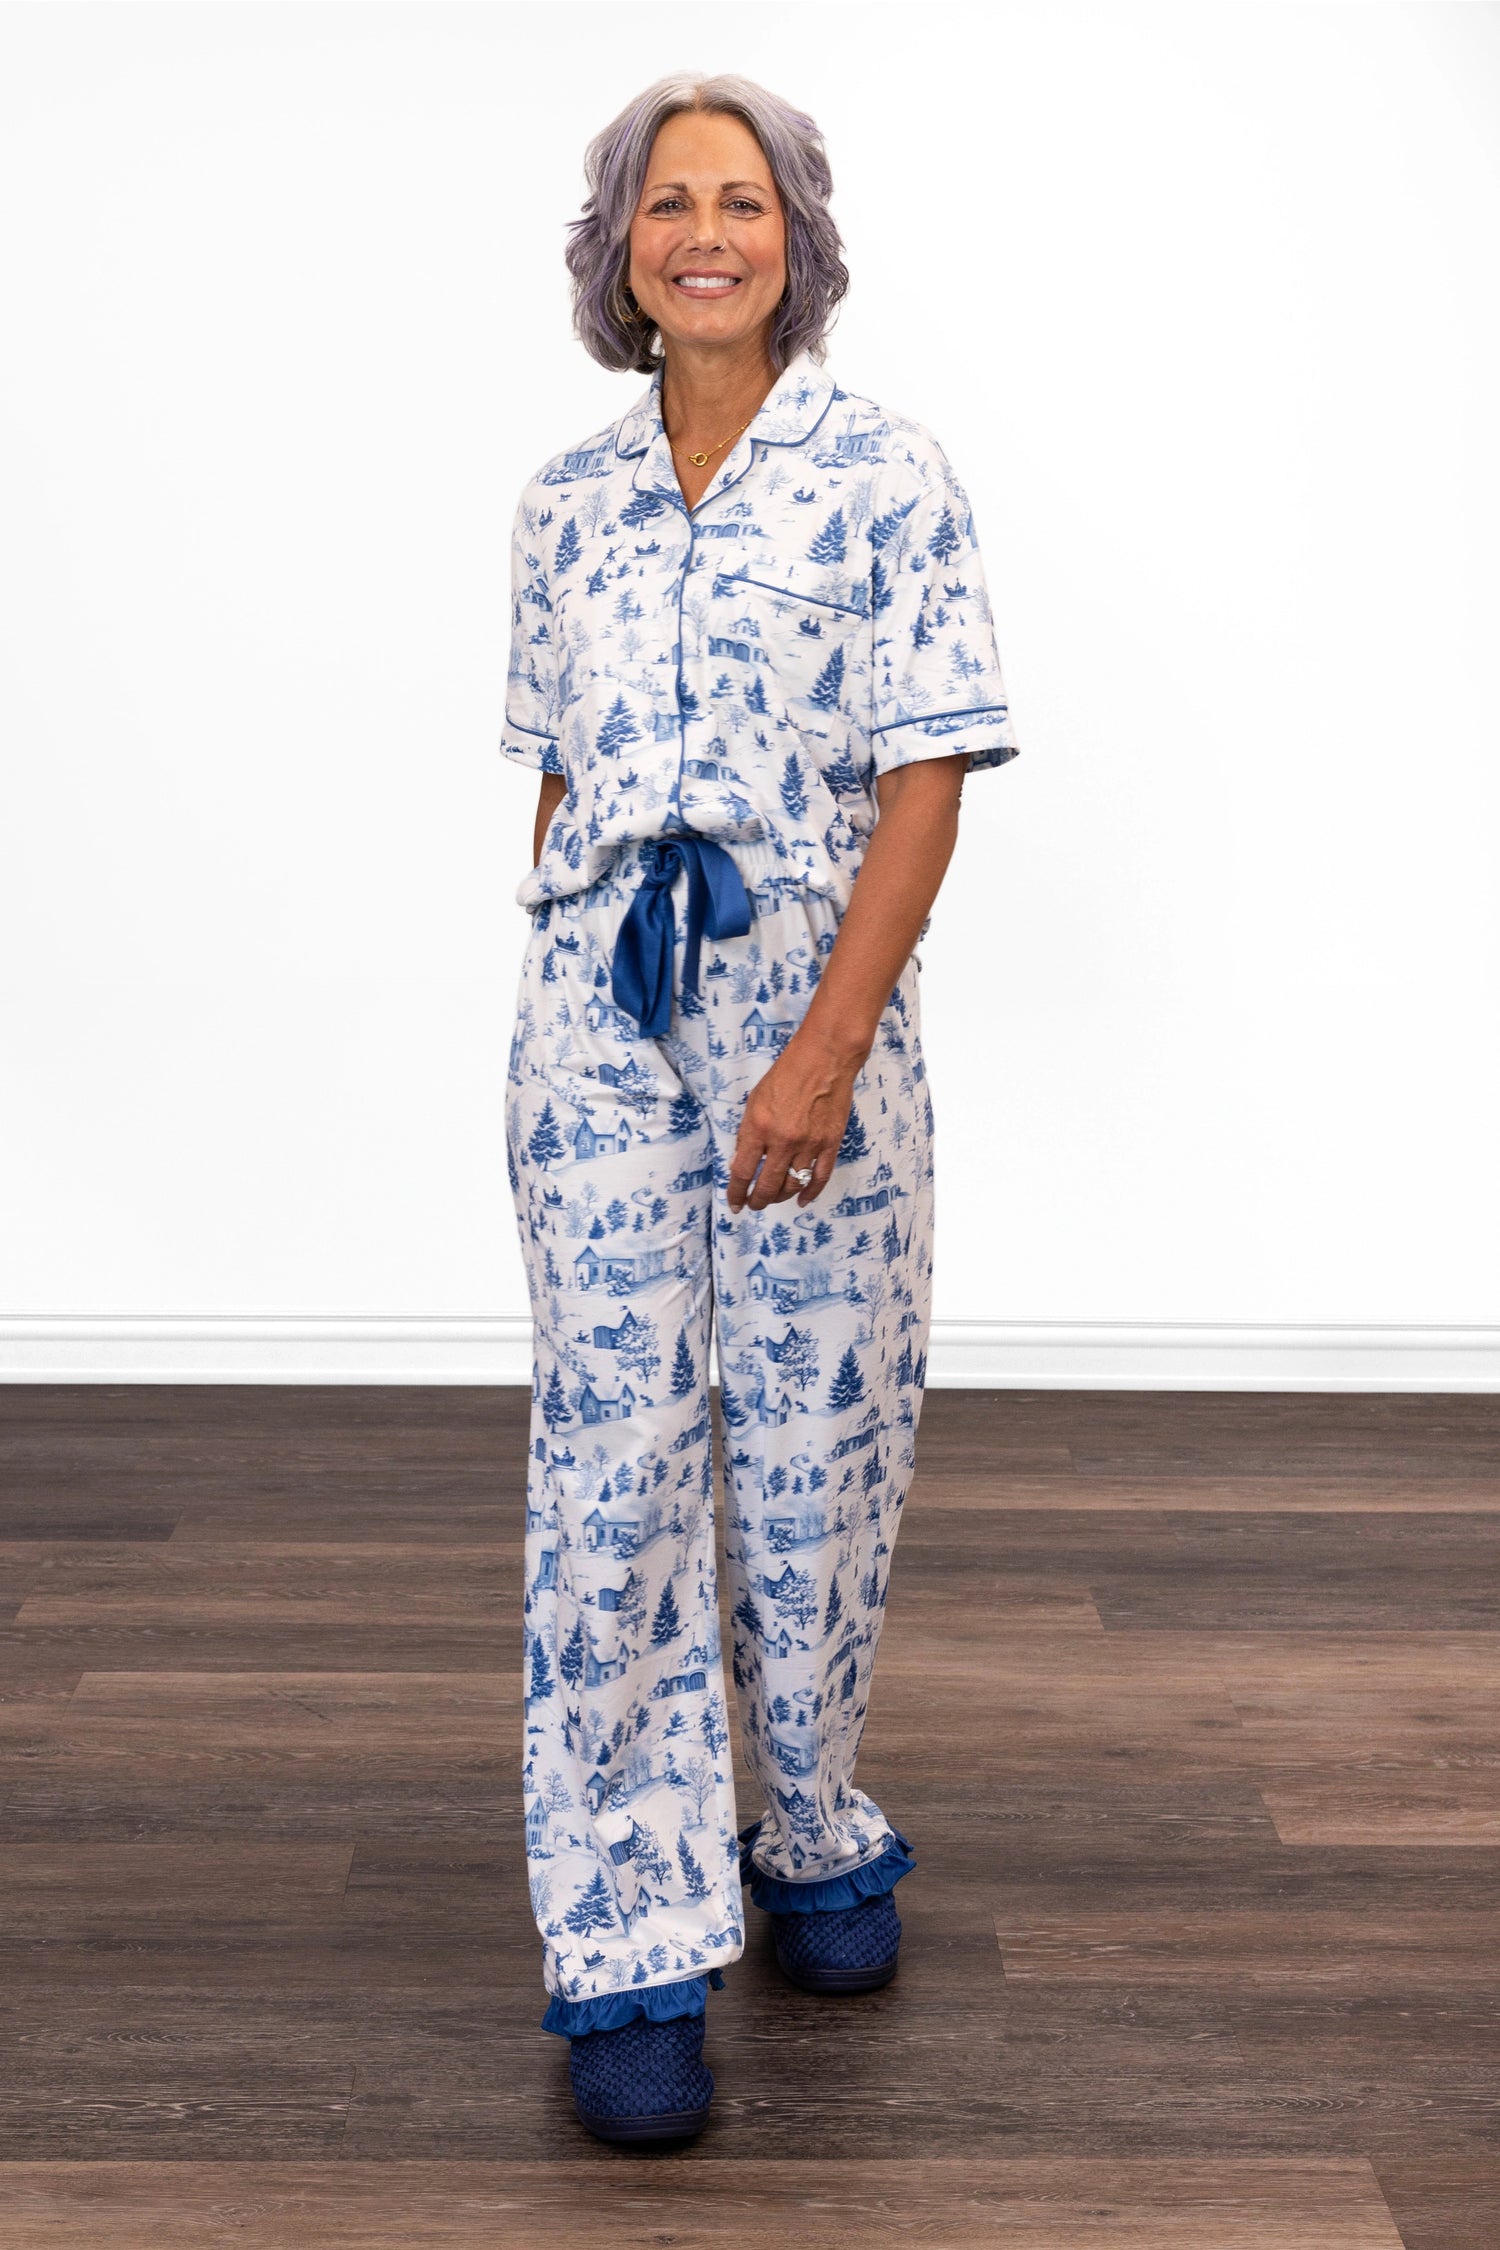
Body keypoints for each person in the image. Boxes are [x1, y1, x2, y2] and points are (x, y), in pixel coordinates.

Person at [500, 70, 1020, 2143]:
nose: (702, 233)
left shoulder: (890, 478)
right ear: (617, 248)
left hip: (817, 1000)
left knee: (818, 1448)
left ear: (797, 239)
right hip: (595, 1017)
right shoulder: (562, 502)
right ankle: (629, 1939)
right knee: (612, 1462)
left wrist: (823, 1047)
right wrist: (565, 1006)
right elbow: (558, 777)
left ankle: (807, 1816)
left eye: (741, 201)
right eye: (665, 203)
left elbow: (926, 781)